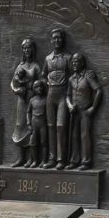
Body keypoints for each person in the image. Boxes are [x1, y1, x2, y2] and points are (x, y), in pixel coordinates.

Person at [65, 53, 102, 170]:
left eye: (77, 61)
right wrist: (69, 105)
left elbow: (98, 91)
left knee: (85, 136)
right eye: (73, 62)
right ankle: (74, 161)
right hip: (74, 112)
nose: (74, 64)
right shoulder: (71, 79)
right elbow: (67, 95)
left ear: (82, 63)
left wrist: (93, 108)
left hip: (85, 111)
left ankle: (86, 162)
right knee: (74, 136)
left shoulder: (88, 76)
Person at [9, 38, 42, 167]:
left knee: (31, 127)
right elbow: (12, 82)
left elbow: (42, 83)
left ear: (32, 50)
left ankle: (32, 158)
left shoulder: (36, 66)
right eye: (24, 48)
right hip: (21, 100)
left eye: (28, 48)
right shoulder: (20, 66)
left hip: (32, 99)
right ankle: (21, 157)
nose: (26, 50)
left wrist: (33, 87)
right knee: (20, 125)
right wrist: (16, 90)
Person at [43, 29, 70, 168]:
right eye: (54, 38)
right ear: (51, 40)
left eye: (59, 38)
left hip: (63, 95)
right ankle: (52, 158)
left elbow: (72, 76)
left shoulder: (68, 58)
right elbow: (43, 75)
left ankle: (61, 159)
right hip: (50, 94)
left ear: (63, 40)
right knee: (50, 127)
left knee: (60, 126)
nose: (56, 40)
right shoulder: (47, 59)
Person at [25, 80, 49, 168]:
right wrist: (28, 123)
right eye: (36, 87)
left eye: (40, 86)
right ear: (34, 89)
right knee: (33, 143)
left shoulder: (46, 99)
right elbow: (28, 112)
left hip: (43, 123)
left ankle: (44, 161)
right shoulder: (32, 100)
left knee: (44, 143)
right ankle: (35, 161)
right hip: (34, 123)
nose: (39, 88)